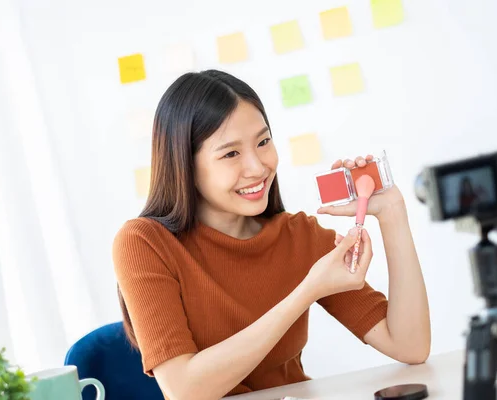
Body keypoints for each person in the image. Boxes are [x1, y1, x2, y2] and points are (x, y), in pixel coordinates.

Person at [112, 70, 430, 400]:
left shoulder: (300, 237)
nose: (258, 166)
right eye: (231, 153)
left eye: (263, 142)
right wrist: (306, 291)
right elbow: (184, 390)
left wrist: (391, 214)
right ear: (185, 165)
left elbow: (410, 345)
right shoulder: (144, 243)